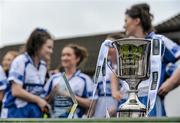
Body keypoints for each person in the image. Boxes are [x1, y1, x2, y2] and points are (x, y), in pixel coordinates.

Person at [111, 3, 180, 116]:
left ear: (136, 21)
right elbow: (115, 70)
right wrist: (114, 91)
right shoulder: (125, 45)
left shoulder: (158, 41)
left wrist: (171, 82)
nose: (124, 26)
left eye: (126, 21)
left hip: (150, 100)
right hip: (125, 101)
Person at [1, 28, 54, 118]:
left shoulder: (43, 66)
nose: (51, 51)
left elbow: (37, 92)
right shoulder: (20, 61)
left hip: (32, 113)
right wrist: (38, 100)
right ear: (38, 45)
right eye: (49, 47)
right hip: (14, 113)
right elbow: (16, 91)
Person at [44, 44, 94, 118]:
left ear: (77, 58)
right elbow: (43, 101)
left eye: (68, 55)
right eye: (63, 55)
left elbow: (91, 104)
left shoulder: (85, 79)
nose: (64, 58)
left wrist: (68, 94)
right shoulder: (54, 78)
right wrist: (52, 93)